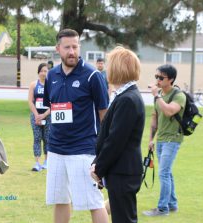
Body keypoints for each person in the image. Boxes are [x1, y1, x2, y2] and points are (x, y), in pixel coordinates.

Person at [43, 29, 109, 223]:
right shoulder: (51, 75)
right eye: (67, 47)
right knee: (60, 200)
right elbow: (53, 107)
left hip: (83, 149)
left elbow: (104, 116)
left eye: (75, 46)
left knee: (93, 202)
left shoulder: (92, 76)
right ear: (58, 49)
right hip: (55, 149)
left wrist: (103, 149)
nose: (72, 51)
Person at [91, 46, 145, 223]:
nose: (107, 68)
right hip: (120, 170)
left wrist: (99, 168)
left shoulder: (128, 99)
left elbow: (115, 141)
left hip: (123, 171)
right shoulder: (124, 96)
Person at [143, 64, 186, 217]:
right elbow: (154, 118)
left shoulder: (178, 95)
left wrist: (156, 96)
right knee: (167, 172)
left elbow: (168, 112)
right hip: (161, 139)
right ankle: (172, 204)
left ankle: (162, 209)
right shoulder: (159, 94)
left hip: (173, 139)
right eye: (156, 77)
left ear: (171, 79)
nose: (158, 80)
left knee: (164, 173)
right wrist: (150, 139)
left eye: (161, 78)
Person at [28, 63, 51, 171]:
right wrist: (37, 115)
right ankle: (37, 163)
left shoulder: (51, 85)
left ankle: (47, 162)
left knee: (47, 139)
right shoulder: (33, 85)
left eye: (45, 71)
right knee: (37, 138)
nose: (43, 73)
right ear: (38, 72)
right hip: (35, 116)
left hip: (48, 116)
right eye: (41, 71)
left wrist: (44, 115)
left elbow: (54, 103)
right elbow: (30, 101)